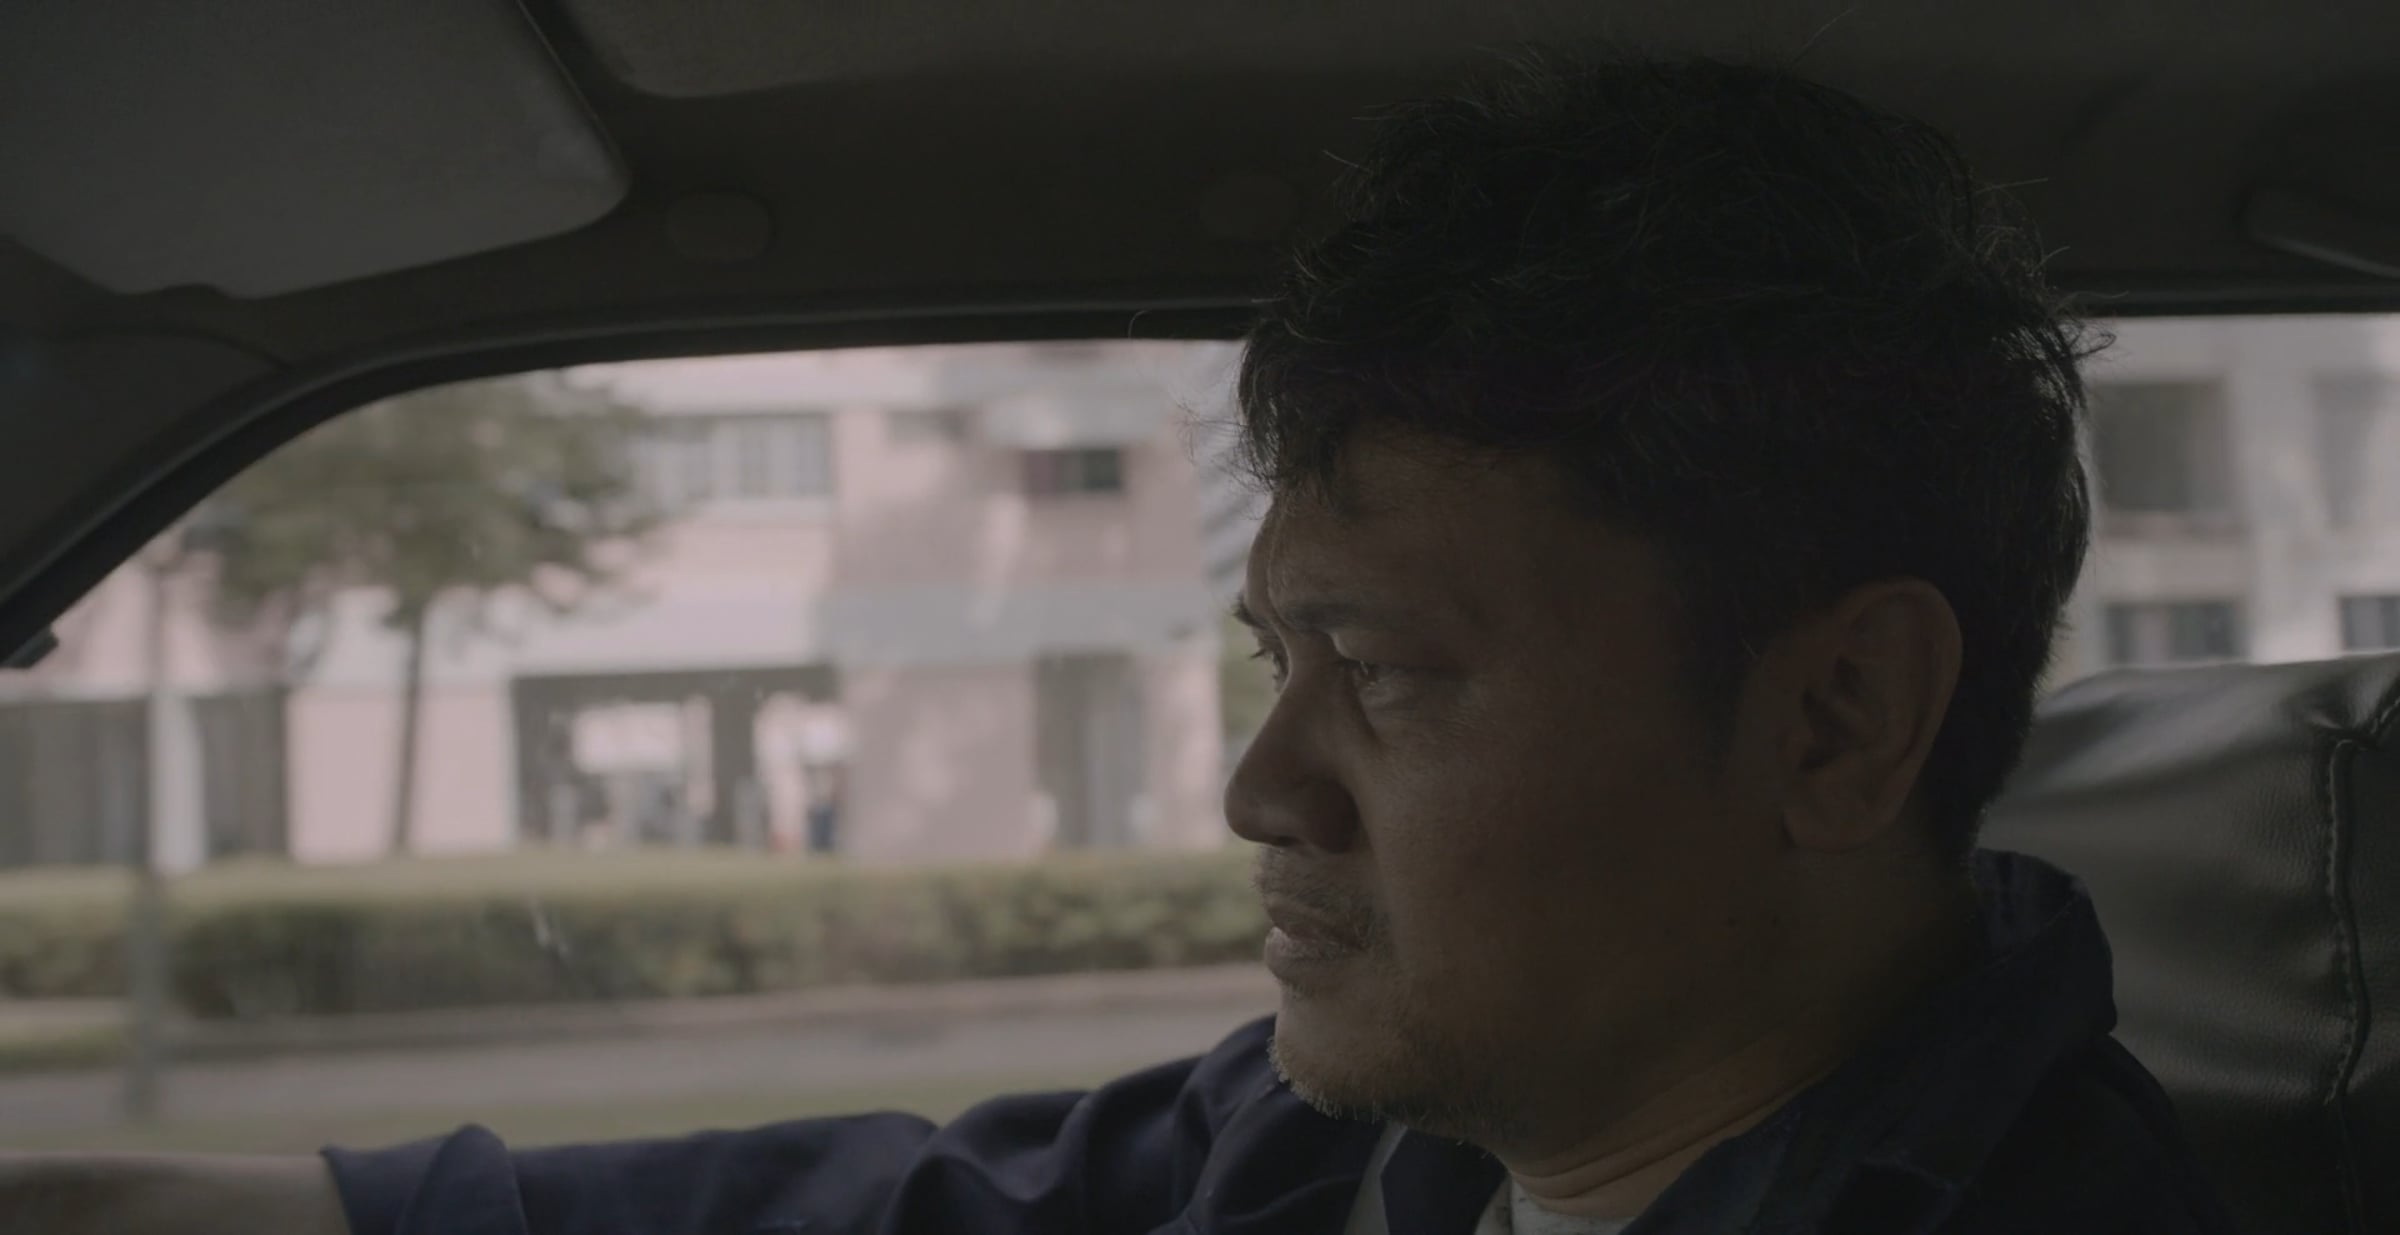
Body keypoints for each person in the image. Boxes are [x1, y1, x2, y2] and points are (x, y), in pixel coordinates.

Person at [0, 50, 2233, 1235]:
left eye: (1386, 671)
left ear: (1836, 719)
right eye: (1276, 662)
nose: (1259, 789)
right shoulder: (1350, 1149)